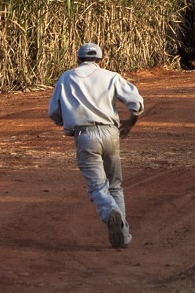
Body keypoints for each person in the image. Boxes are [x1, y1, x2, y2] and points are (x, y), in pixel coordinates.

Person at [48, 42, 145, 249]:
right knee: (115, 184)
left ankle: (110, 212)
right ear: (101, 61)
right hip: (111, 133)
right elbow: (136, 103)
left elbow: (53, 112)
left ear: (78, 59)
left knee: (97, 186)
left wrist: (64, 121)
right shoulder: (110, 76)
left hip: (84, 135)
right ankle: (124, 234)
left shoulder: (66, 78)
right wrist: (130, 122)